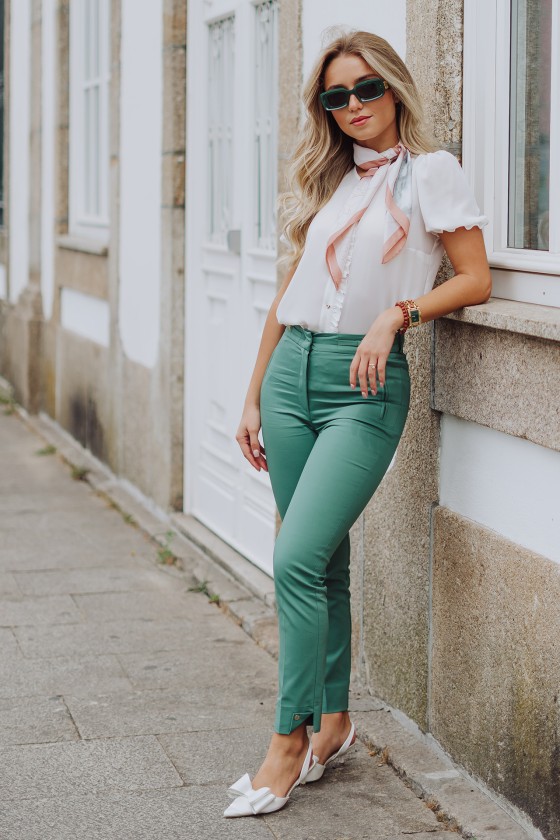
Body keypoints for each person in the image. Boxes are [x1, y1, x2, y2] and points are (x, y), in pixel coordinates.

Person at [227, 28, 491, 819]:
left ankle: (287, 741)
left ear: (394, 88)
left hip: (363, 386)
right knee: (323, 562)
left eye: (365, 88)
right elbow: (288, 295)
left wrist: (397, 316)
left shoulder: (431, 174)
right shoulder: (331, 181)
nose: (352, 107)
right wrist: (251, 396)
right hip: (289, 377)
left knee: (295, 560)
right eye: (335, 96)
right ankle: (335, 722)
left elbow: (474, 278)